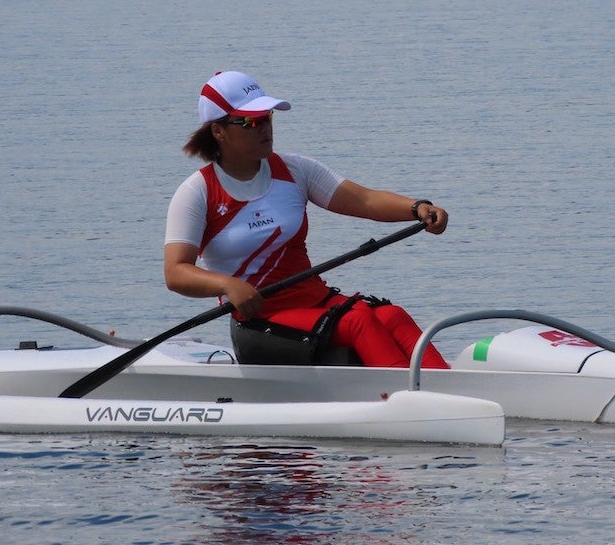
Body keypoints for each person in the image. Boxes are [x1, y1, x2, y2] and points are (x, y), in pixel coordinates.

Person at [164, 70, 450, 369]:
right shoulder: (197, 192)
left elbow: (365, 200)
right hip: (259, 319)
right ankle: (406, 399)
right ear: (218, 132)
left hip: (314, 299)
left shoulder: (295, 170)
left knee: (393, 315)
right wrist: (227, 285)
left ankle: (451, 388)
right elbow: (176, 272)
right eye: (250, 122)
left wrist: (416, 207)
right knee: (359, 320)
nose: (264, 129)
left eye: (268, 118)